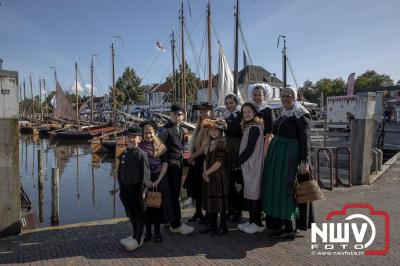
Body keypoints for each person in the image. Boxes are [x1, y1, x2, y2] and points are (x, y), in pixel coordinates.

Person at [261, 87, 315, 240]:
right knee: (277, 189)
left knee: (288, 190)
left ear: (294, 97)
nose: (285, 98)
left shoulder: (300, 113)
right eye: (283, 96)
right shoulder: (284, 113)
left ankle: (289, 227)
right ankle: (278, 224)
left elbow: (305, 139)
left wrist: (305, 161)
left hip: (290, 157)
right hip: (279, 157)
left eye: (288, 96)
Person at [158, 105, 194, 235]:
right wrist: (165, 162)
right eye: (174, 114)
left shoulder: (182, 130)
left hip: (178, 165)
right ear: (170, 115)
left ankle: (168, 218)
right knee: (173, 194)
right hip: (170, 166)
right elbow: (159, 148)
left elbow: (180, 148)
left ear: (183, 116)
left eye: (179, 114)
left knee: (175, 193)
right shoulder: (164, 130)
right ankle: (176, 224)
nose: (177, 117)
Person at [139, 121, 174, 243]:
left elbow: (165, 164)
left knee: (157, 206)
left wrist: (158, 180)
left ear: (154, 133)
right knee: (146, 207)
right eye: (146, 133)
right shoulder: (139, 147)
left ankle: (157, 232)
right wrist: (146, 180)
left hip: (159, 179)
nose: (148, 135)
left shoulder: (161, 146)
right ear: (142, 134)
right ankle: (148, 233)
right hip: (145, 179)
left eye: (150, 133)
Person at [118, 126, 150, 251]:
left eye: (133, 137)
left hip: (137, 189)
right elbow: (120, 171)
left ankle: (138, 238)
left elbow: (145, 174)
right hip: (125, 189)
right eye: (128, 137)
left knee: (139, 215)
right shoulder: (125, 152)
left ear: (139, 139)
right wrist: (121, 186)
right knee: (131, 214)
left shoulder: (141, 154)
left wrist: (143, 190)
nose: (130, 139)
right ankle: (134, 234)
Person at [235, 102, 265, 234]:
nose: (246, 114)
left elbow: (249, 148)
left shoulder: (254, 128)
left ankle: (258, 223)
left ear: (254, 113)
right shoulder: (249, 126)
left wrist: (238, 161)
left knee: (254, 192)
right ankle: (252, 220)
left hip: (253, 164)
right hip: (249, 165)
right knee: (250, 191)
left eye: (249, 112)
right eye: (244, 112)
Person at [183, 103, 213, 222]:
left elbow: (205, 146)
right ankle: (198, 212)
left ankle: (207, 214)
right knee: (196, 187)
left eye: (206, 111)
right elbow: (194, 144)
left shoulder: (211, 125)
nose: (203, 114)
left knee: (204, 188)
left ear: (211, 112)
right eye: (201, 112)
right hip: (197, 159)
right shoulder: (199, 125)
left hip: (205, 159)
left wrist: (192, 156)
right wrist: (192, 156)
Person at [200, 119, 229, 235]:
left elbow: (219, 163)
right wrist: (204, 173)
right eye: (211, 130)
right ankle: (211, 225)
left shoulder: (222, 143)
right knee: (210, 202)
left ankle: (223, 226)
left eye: (216, 130)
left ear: (220, 132)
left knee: (219, 203)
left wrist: (207, 173)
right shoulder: (208, 143)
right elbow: (205, 160)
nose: (213, 132)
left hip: (218, 176)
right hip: (209, 175)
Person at [224, 94, 244, 222]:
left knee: (239, 180)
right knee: (229, 179)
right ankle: (231, 207)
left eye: (231, 103)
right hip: (228, 149)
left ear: (236, 103)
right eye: (227, 103)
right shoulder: (225, 118)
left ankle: (239, 210)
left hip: (238, 148)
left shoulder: (241, 116)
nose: (229, 105)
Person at [248, 84, 275, 153]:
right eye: (255, 95)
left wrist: (266, 151)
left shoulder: (268, 110)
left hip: (262, 142)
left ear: (264, 96)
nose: (257, 97)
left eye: (260, 95)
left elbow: (270, 132)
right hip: (250, 140)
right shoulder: (250, 109)